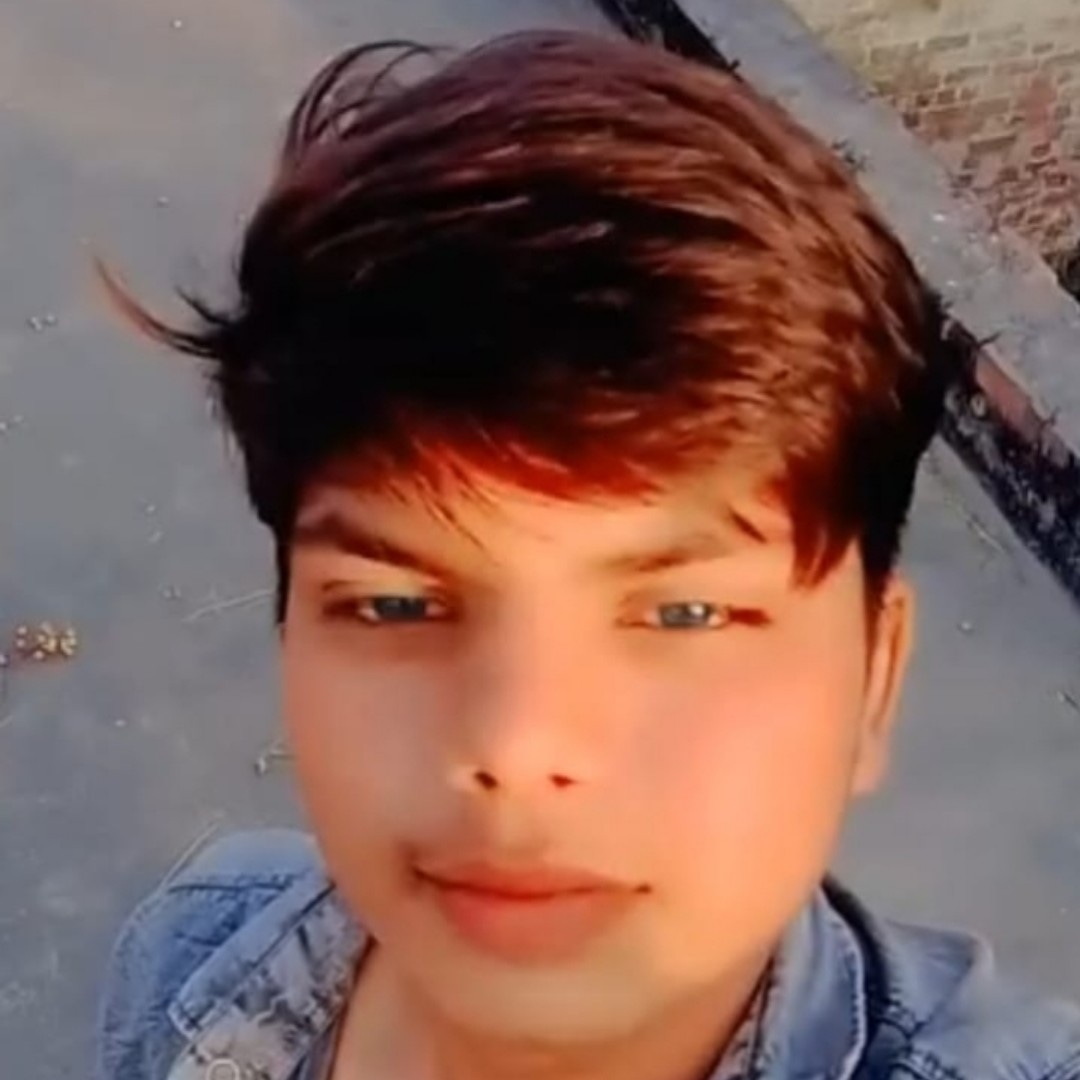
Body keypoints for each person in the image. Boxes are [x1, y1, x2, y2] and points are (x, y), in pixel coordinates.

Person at [96, 30, 1080, 1080]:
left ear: (874, 679)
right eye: (394, 605)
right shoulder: (197, 956)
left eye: (684, 614)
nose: (516, 747)